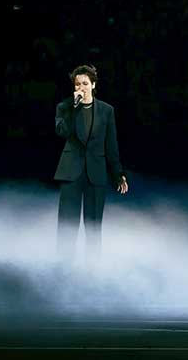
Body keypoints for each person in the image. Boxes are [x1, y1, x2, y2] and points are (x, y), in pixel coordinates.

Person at [54, 64, 128, 263]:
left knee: (94, 225)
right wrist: (74, 107)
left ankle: (92, 268)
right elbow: (62, 132)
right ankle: (63, 266)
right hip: (71, 172)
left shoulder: (106, 110)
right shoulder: (64, 107)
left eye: (85, 83)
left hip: (96, 173)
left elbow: (111, 145)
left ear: (93, 85)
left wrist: (118, 174)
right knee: (67, 224)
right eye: (77, 84)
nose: (81, 88)